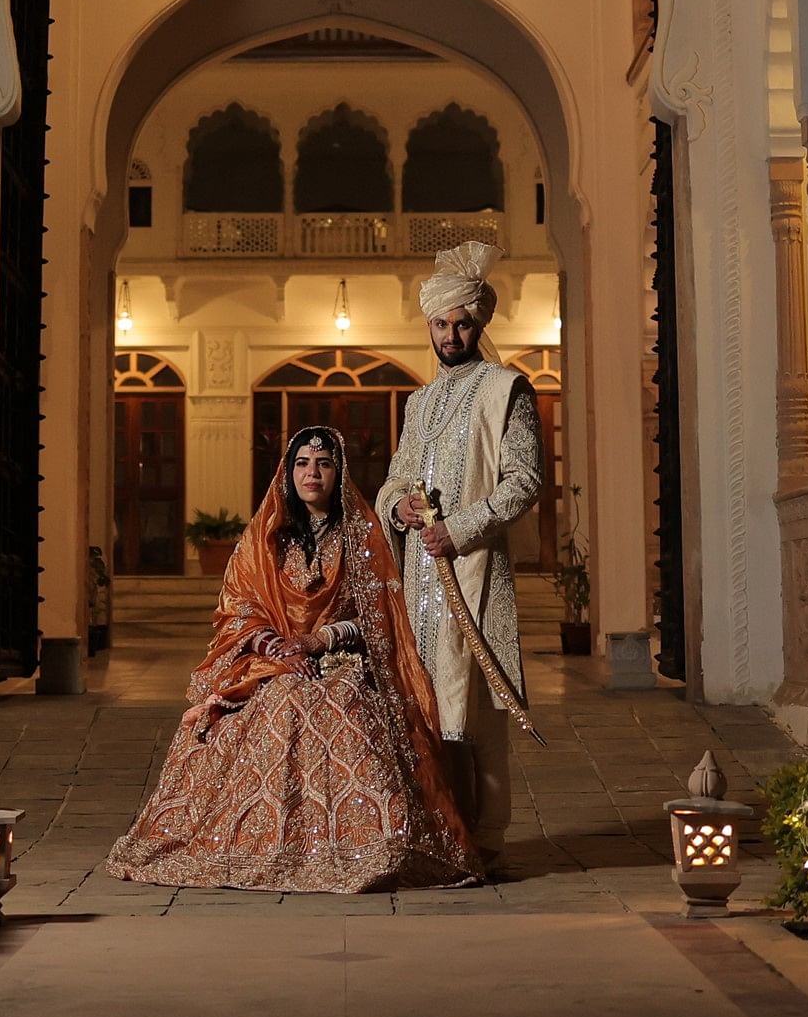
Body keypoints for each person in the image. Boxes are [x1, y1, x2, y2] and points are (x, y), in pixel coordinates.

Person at [105, 426, 477, 892]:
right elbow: (238, 608)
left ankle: (361, 843)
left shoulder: (364, 534)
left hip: (342, 661)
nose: (312, 473)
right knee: (280, 698)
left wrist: (318, 641)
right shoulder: (265, 536)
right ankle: (262, 840)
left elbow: (381, 618)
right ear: (288, 471)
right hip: (272, 662)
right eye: (302, 463)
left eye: (323, 463)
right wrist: (276, 647)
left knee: (341, 702)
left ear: (338, 472)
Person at [375, 238, 542, 871]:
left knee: (474, 706)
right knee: (424, 703)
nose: (451, 334)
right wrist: (400, 509)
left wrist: (462, 528)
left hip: (471, 571)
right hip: (419, 576)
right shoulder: (419, 403)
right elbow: (395, 476)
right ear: (430, 327)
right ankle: (438, 830)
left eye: (462, 322)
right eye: (441, 324)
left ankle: (488, 837)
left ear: (479, 324)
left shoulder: (507, 390)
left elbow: (524, 480)